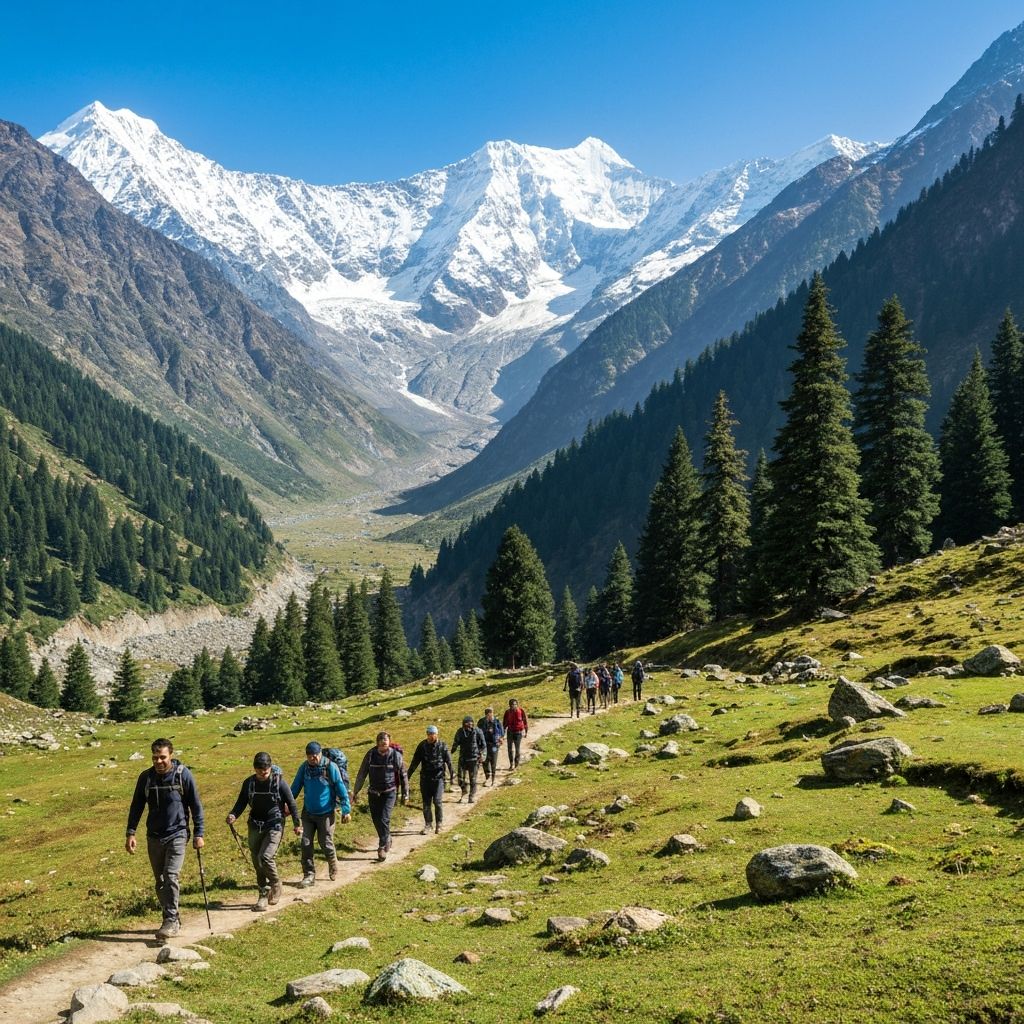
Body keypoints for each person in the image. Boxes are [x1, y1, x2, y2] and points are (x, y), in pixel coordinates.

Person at [125, 738, 205, 940]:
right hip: (154, 836)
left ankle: (169, 920)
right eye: (155, 758)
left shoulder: (183, 775)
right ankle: (173, 916)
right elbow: (137, 806)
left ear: (171, 755)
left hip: (177, 833)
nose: (159, 761)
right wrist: (130, 833)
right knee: (160, 881)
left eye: (163, 757)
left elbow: (196, 805)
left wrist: (199, 833)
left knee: (171, 875)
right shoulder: (146, 778)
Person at [226, 752, 302, 911]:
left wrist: (297, 824)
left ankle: (275, 883)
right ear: (255, 768)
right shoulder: (249, 783)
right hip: (254, 824)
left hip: (274, 824)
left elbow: (292, 804)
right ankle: (262, 895)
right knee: (257, 862)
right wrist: (233, 814)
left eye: (266, 771)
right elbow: (241, 802)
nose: (263, 773)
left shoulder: (279, 782)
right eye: (260, 770)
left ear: (270, 768)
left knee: (266, 856)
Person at [292, 741, 351, 886]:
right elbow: (294, 788)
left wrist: (346, 809)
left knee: (326, 843)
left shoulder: (331, 767)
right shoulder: (304, 768)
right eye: (309, 756)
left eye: (315, 755)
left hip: (326, 813)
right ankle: (309, 875)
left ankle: (332, 864)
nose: (313, 759)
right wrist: (286, 804)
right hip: (308, 812)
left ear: (320, 753)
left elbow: (340, 788)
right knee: (305, 843)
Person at [353, 731, 408, 861]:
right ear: (377, 742)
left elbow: (403, 775)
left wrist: (405, 793)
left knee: (384, 818)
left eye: (386, 741)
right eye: (381, 741)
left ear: (389, 742)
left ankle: (382, 847)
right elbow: (362, 774)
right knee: (376, 819)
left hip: (389, 792)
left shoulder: (395, 755)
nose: (384, 743)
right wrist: (355, 792)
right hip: (373, 793)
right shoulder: (371, 755)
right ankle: (387, 836)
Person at [407, 725, 454, 834]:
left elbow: (449, 761)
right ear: (427, 734)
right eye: (429, 734)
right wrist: (407, 776)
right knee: (426, 803)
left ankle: (439, 824)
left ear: (437, 734)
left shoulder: (442, 746)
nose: (431, 736)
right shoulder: (422, 746)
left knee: (437, 801)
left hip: (438, 779)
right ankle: (428, 824)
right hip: (425, 779)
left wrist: (452, 775)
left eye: (433, 734)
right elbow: (415, 762)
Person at [451, 714, 486, 802]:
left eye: (470, 724)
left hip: (474, 759)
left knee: (472, 779)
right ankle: (464, 790)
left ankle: (471, 796)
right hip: (463, 759)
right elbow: (455, 743)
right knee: (460, 779)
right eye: (467, 725)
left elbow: (483, 745)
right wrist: (449, 752)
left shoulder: (478, 731)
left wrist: (482, 755)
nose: (469, 727)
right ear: (463, 725)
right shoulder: (460, 732)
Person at [477, 706, 504, 785]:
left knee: (493, 761)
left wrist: (501, 739)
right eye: (488, 715)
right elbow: (478, 733)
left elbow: (502, 732)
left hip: (495, 745)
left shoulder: (497, 721)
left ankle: (493, 778)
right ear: (486, 715)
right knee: (485, 761)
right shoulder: (481, 722)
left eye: (491, 714)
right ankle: (488, 777)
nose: (490, 716)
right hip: (485, 745)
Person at [502, 698, 529, 769]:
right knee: (509, 749)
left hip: (518, 732)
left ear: (517, 704)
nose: (513, 706)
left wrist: (526, 731)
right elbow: (504, 723)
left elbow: (525, 721)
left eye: (515, 704)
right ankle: (511, 764)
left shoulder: (521, 711)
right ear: (509, 705)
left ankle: (516, 763)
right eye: (511, 705)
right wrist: (503, 733)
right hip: (510, 732)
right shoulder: (507, 712)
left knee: (517, 749)